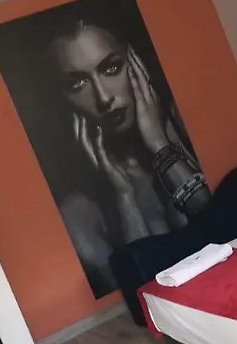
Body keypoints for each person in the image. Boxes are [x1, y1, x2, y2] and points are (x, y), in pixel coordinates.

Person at [51, 21, 211, 293]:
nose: (104, 97)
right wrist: (123, 196)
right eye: (78, 84)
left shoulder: (182, 125)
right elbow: (140, 290)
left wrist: (159, 144)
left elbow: (221, 225)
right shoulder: (78, 212)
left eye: (111, 68)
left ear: (136, 65)